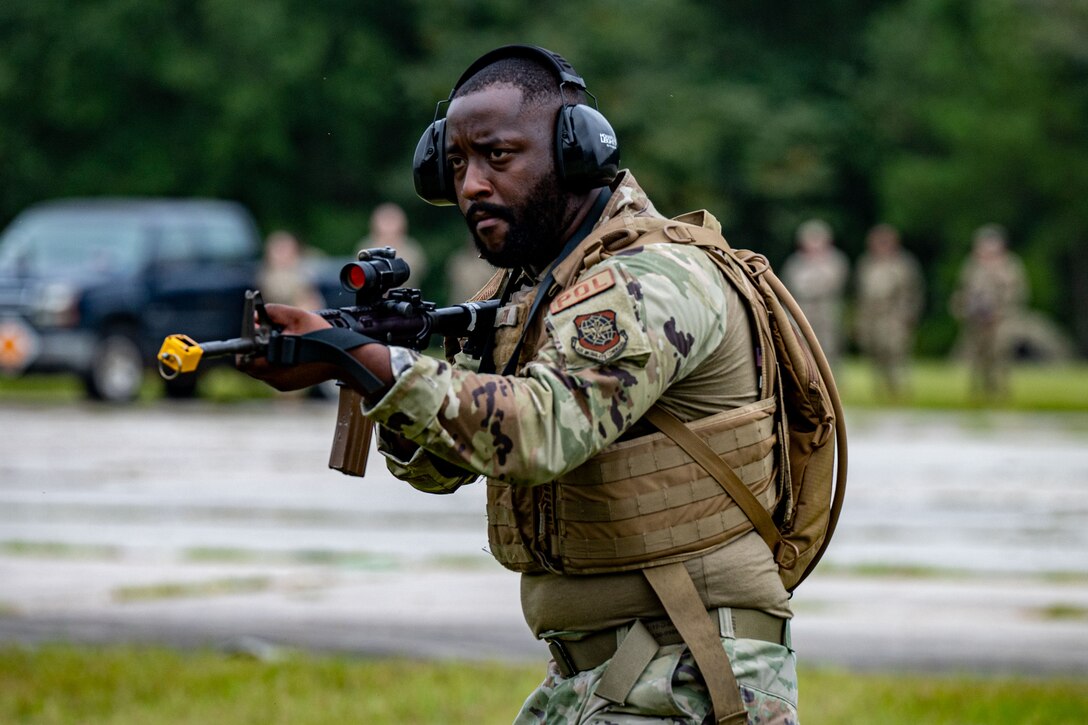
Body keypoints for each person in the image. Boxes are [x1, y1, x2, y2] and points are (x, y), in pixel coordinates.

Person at [241, 45, 798, 723]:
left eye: (496, 156)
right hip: (602, 670)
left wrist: (372, 364)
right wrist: (372, 364)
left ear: (574, 154)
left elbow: (538, 430)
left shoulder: (649, 280)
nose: (471, 184)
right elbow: (445, 467)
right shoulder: (528, 291)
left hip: (686, 671)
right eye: (456, 165)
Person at [950, 224, 1029, 401]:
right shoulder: (972, 266)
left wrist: (999, 313)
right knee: (977, 357)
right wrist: (963, 308)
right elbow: (963, 291)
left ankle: (1001, 393)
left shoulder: (1011, 266)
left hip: (1002, 321)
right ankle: (977, 394)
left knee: (1000, 354)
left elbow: (1018, 295)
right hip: (977, 322)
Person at [853, 224, 925, 401]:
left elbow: (914, 292)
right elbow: (860, 295)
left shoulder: (904, 264)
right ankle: (879, 389)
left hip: (895, 316)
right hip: (872, 317)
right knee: (875, 352)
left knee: (896, 352)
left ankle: (899, 389)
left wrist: (909, 315)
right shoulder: (866, 264)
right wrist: (859, 320)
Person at [781, 219, 849, 371]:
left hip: (827, 312)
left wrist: (810, 287)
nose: (814, 244)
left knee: (829, 348)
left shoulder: (836, 260)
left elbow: (832, 284)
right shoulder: (795, 262)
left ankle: (831, 385)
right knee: (801, 347)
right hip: (802, 311)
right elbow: (788, 288)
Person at [359, 202, 429, 287]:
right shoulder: (366, 247)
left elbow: (418, 273)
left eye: (392, 220)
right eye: (384, 220)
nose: (388, 225)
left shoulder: (411, 249)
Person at [257, 230, 325, 311]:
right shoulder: (268, 277)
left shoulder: (306, 268)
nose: (282, 255)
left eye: (285, 249)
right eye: (279, 250)